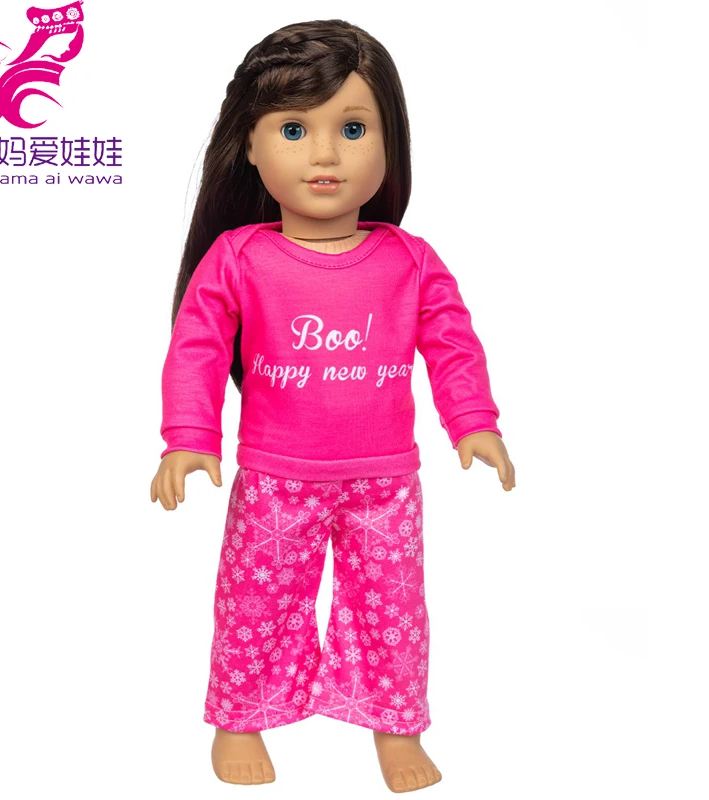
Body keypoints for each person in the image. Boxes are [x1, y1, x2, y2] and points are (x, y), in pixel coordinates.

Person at [150, 19, 516, 793]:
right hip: (275, 478)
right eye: (294, 129)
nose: (325, 154)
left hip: (385, 483)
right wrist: (188, 436)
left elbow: (452, 342)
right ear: (250, 147)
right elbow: (198, 347)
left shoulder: (410, 261)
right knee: (256, 602)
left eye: (352, 129)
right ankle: (240, 717)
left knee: (392, 608)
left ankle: (395, 725)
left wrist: (474, 421)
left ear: (390, 145)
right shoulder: (239, 258)